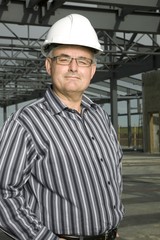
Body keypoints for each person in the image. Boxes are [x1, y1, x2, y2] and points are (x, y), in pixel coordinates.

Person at [0, 14, 124, 240]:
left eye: (83, 60)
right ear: (49, 65)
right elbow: (4, 194)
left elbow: (112, 178)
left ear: (92, 70)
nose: (74, 68)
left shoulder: (101, 118)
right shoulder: (25, 123)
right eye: (64, 59)